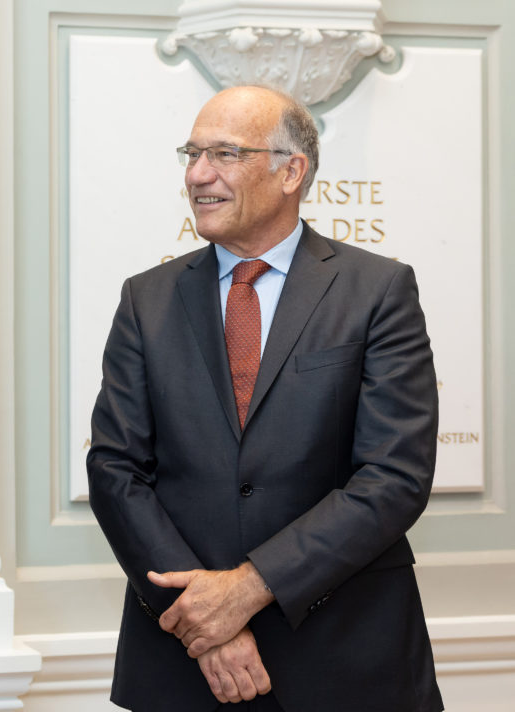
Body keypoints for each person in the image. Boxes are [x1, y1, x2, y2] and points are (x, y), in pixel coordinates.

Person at [87, 85, 443, 712]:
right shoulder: (146, 299)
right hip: (184, 666)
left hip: (348, 660)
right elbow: (115, 469)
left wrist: (250, 587)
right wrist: (204, 621)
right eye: (192, 154)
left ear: (291, 171)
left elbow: (394, 476)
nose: (198, 175)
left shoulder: (378, 291)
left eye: (224, 154)